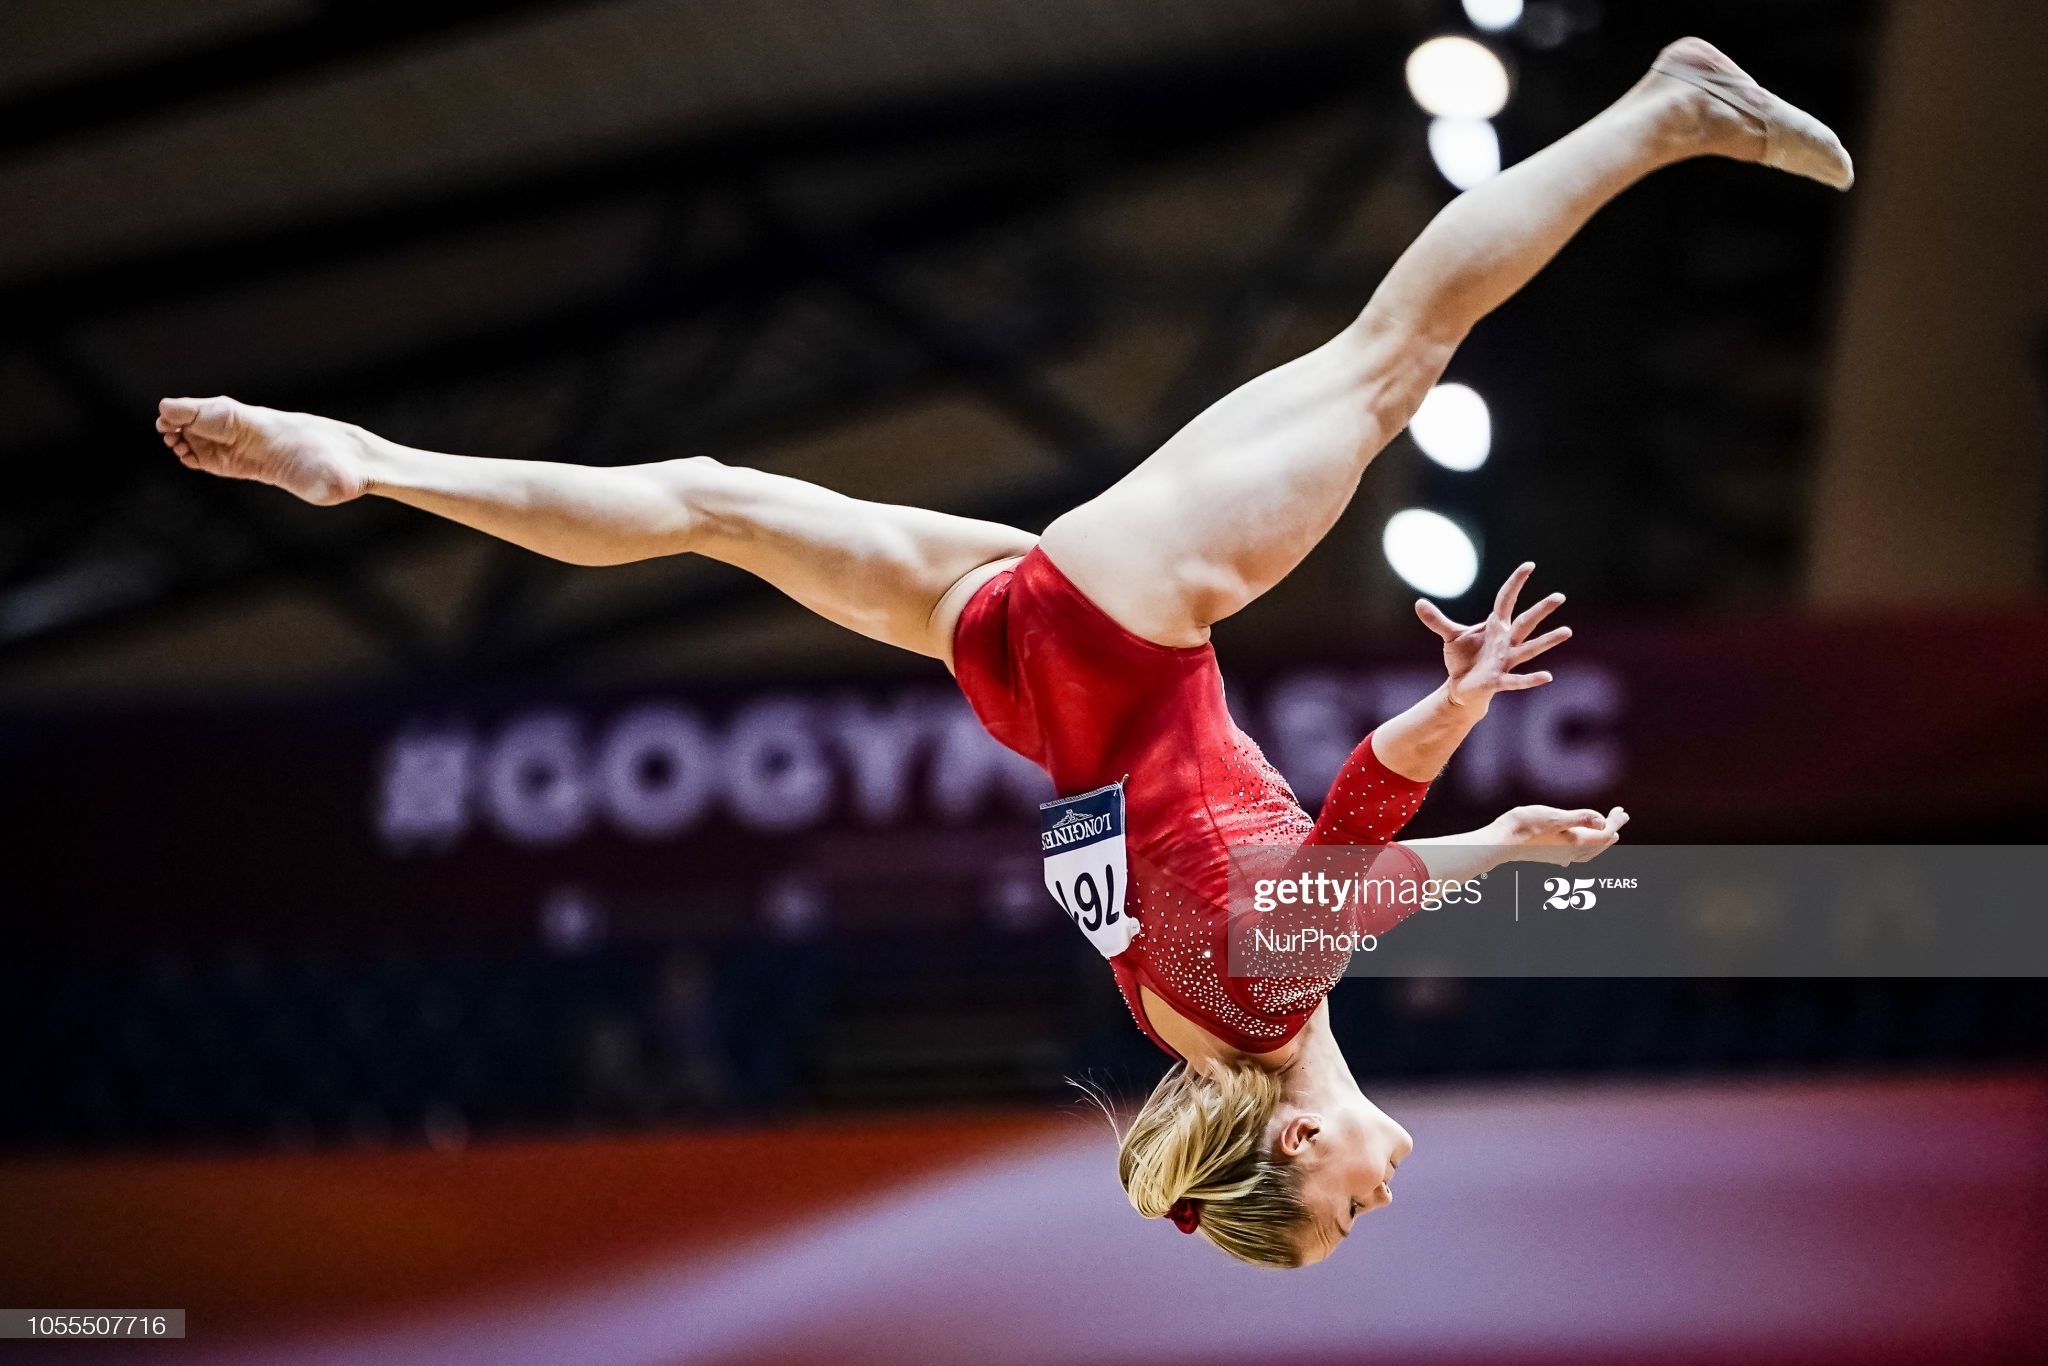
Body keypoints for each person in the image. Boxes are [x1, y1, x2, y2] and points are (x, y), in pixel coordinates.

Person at [155, 38, 1850, 1266]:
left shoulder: (1265, 999)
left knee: (1395, 350)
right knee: (712, 505)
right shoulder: (1189, 1024)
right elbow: (1329, 875)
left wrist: (1465, 726)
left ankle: (1663, 110)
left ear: (1294, 1141)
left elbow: (1357, 829)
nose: (1376, 1200)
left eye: (1340, 1214)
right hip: (1015, 660)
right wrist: (1490, 831)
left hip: (1129, 614)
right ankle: (374, 463)